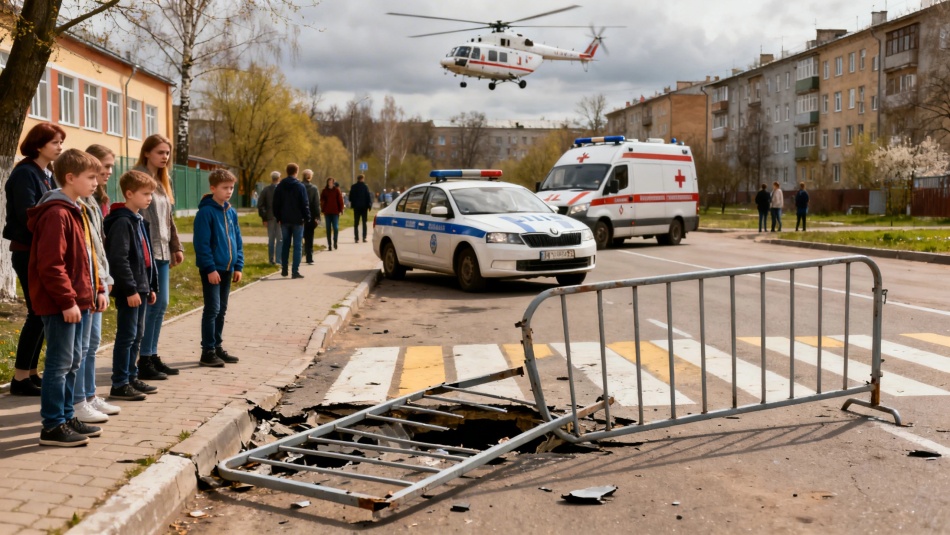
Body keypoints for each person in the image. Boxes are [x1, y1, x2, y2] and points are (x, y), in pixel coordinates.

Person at [27, 148, 107, 446]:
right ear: (70, 178)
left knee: (74, 361)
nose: (96, 182)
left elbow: (87, 258)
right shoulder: (57, 214)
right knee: (59, 365)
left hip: (82, 301)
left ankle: (67, 415)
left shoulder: (77, 210)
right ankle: (52, 426)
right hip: (64, 305)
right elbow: (51, 265)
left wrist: (97, 290)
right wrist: (67, 301)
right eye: (90, 177)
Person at [3, 122, 64, 396]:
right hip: (27, 251)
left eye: (61, 142)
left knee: (41, 314)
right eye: (55, 142)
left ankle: (30, 373)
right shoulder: (25, 173)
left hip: (40, 251)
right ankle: (19, 379)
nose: (59, 147)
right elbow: (29, 213)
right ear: (39, 145)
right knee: (37, 313)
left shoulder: (46, 174)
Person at [72, 145, 121, 423]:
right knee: (80, 348)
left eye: (110, 166)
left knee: (92, 344)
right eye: (103, 166)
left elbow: (98, 247)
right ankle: (79, 401)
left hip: (98, 280)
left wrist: (105, 279)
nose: (107, 172)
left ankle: (89, 396)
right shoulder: (77, 204)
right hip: (86, 284)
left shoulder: (94, 200)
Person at [104, 170, 159, 402]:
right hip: (131, 290)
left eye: (151, 194)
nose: (150, 198)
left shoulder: (138, 220)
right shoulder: (122, 222)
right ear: (129, 193)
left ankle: (131, 376)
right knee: (127, 336)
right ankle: (119, 382)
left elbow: (147, 258)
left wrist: (151, 286)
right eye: (145, 194)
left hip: (142, 287)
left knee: (138, 335)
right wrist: (130, 289)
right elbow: (119, 259)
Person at [135, 134, 184, 380]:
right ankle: (143, 359)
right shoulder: (139, 178)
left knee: (162, 304)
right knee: (152, 305)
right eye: (160, 152)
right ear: (147, 153)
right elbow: (138, 218)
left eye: (167, 153)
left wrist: (177, 246)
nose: (164, 157)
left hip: (163, 250)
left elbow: (169, 218)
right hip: (148, 251)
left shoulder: (163, 181)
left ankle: (152, 354)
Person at [192, 169, 244, 367]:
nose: (229, 191)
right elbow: (202, 244)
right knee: (212, 309)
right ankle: (207, 351)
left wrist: (238, 265)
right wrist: (210, 268)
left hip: (228, 267)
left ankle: (217, 346)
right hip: (212, 269)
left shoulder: (231, 212)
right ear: (213, 188)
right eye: (225, 188)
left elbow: (237, 240)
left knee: (222, 309)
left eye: (231, 188)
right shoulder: (206, 212)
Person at [272, 163, 309, 278]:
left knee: (285, 244)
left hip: (284, 220)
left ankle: (284, 269)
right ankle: (295, 271)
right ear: (296, 172)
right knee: (297, 246)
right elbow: (305, 203)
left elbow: (275, 204)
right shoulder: (300, 186)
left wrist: (278, 217)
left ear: (287, 171)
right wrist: (307, 217)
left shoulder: (280, 186)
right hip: (298, 220)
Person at [258, 171, 282, 265]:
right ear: (279, 178)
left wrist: (264, 218)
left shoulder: (266, 190)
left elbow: (260, 205)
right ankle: (278, 260)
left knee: (271, 239)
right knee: (280, 239)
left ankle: (271, 260)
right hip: (279, 218)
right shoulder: (282, 190)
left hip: (269, 217)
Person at [301, 169, 321, 265]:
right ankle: (309, 257)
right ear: (311, 176)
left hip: (299, 215)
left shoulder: (299, 186)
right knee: (310, 237)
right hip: (311, 215)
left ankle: (299, 255)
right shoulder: (314, 188)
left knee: (299, 236)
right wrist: (317, 216)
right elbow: (316, 204)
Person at [320, 177, 344, 251]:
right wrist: (323, 207)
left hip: (335, 212)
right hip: (327, 212)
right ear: (327, 183)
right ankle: (329, 244)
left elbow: (340, 200)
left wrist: (341, 209)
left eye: (331, 182)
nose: (330, 183)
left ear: (333, 183)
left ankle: (335, 241)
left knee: (336, 228)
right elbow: (321, 200)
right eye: (329, 182)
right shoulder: (324, 191)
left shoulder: (336, 190)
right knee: (328, 228)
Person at [349, 174, 373, 243]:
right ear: (362, 179)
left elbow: (350, 197)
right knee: (364, 222)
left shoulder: (353, 187)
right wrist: (369, 206)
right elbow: (368, 197)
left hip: (356, 207)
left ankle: (356, 238)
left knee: (356, 223)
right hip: (364, 207)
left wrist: (353, 203)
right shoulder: (365, 187)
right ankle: (364, 237)